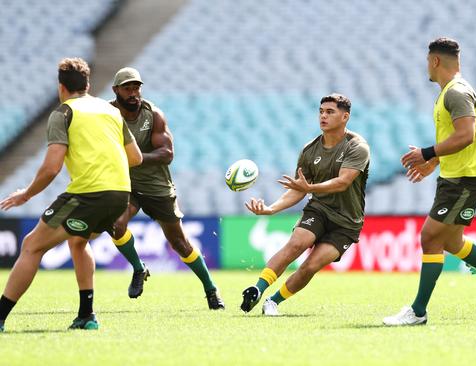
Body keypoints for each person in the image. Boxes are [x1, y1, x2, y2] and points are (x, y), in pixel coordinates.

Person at [0, 58, 143, 331]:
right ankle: (87, 316)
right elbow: (135, 157)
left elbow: (51, 167)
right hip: (120, 195)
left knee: (32, 245)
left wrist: (26, 194)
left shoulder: (64, 113)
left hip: (88, 195)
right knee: (78, 243)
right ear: (88, 85)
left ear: (60, 87)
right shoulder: (110, 110)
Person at [383, 37, 476, 326]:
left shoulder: (455, 92)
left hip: (463, 181)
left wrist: (426, 152)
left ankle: (418, 311)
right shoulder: (452, 91)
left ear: (434, 61)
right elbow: (459, 139)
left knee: (430, 238)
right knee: (453, 242)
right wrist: (435, 161)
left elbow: (465, 135)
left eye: (427, 62)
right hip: (458, 178)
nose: (426, 68)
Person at [68, 67, 224, 310]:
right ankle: (139, 268)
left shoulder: (154, 115)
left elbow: (167, 153)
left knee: (179, 244)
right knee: (116, 225)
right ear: (116, 90)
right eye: (128, 88)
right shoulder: (106, 114)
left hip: (156, 186)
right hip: (125, 185)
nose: (133, 93)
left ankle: (211, 289)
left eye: (137, 87)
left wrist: (136, 158)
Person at [240, 93, 370, 316]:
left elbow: (343, 182)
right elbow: (298, 188)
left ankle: (273, 301)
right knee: (297, 244)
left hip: (347, 222)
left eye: (330, 112)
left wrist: (309, 188)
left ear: (345, 116)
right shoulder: (310, 150)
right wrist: (272, 208)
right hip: (319, 209)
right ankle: (258, 289)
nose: (323, 116)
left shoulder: (357, 147)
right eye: (321, 111)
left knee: (311, 265)